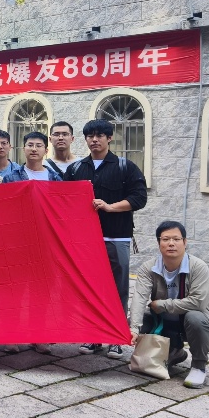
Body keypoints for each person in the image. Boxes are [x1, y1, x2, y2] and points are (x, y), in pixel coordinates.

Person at [67, 119, 148, 359]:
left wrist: (110, 207)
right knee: (90, 287)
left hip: (117, 237)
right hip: (85, 241)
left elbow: (139, 198)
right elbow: (64, 200)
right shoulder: (76, 169)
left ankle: (115, 338)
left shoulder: (125, 167)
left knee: (117, 288)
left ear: (109, 138)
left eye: (100, 135)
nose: (94, 140)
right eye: (90, 136)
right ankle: (93, 335)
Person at [129, 221, 209, 388]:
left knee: (196, 318)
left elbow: (199, 302)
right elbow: (139, 298)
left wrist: (162, 304)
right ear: (159, 243)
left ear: (185, 242)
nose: (171, 243)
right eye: (165, 239)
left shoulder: (198, 267)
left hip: (188, 320)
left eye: (176, 239)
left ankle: (198, 366)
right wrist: (134, 328)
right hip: (163, 321)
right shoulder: (149, 268)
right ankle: (174, 351)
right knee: (135, 320)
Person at [0, 131, 61, 354]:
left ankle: (39, 335)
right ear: (23, 149)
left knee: (42, 291)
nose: (34, 149)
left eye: (38, 145)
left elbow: (61, 209)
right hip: (18, 242)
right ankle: (12, 335)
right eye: (30, 145)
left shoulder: (55, 178)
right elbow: (3, 209)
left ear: (46, 150)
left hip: (45, 242)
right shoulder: (11, 177)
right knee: (15, 289)